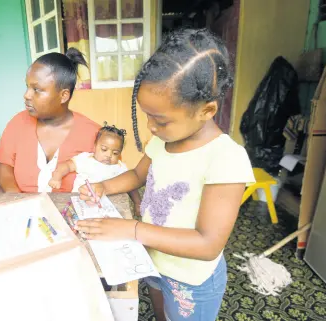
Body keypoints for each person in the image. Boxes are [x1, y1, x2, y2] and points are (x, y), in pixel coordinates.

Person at [76, 29, 255, 321]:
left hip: (190, 281)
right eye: (146, 115)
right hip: (154, 260)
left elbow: (208, 244)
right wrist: (102, 186)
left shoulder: (225, 158)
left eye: (159, 120)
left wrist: (131, 230)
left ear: (207, 110)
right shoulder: (163, 140)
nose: (150, 127)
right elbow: (137, 175)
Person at [0, 48, 100, 193]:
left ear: (63, 95)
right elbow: (4, 167)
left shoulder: (93, 134)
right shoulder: (18, 123)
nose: (26, 95)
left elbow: (110, 174)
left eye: (37, 89)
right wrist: (17, 199)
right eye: (27, 87)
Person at [48, 122, 142, 214]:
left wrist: (138, 203)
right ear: (95, 146)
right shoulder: (86, 159)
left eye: (115, 153)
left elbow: (131, 186)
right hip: (80, 204)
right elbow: (67, 166)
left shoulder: (120, 167)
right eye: (104, 149)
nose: (109, 155)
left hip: (108, 209)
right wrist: (57, 177)